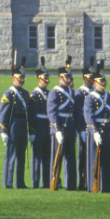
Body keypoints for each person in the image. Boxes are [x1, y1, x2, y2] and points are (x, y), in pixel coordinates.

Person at [0, 65, 32, 188]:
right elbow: (3, 114)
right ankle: (8, 182)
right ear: (13, 78)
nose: (22, 80)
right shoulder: (9, 94)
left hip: (23, 125)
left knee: (21, 155)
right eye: (19, 78)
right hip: (13, 125)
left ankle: (20, 182)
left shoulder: (25, 93)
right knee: (11, 155)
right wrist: (3, 131)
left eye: (23, 78)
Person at [84, 72, 110, 193]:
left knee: (107, 159)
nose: (103, 83)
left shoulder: (109, 96)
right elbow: (89, 116)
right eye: (100, 81)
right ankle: (93, 185)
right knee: (94, 159)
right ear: (94, 82)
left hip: (107, 130)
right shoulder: (90, 97)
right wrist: (95, 131)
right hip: (95, 131)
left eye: (104, 81)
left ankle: (106, 186)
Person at [47, 62, 77, 190]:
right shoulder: (54, 92)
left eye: (70, 77)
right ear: (60, 77)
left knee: (71, 156)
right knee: (57, 156)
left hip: (70, 125)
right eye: (66, 77)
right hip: (59, 126)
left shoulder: (72, 91)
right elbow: (52, 112)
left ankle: (70, 184)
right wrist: (57, 130)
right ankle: (55, 182)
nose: (69, 79)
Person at [30, 64, 52, 188]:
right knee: (37, 157)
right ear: (39, 79)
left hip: (48, 127)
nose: (47, 80)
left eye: (48, 78)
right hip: (38, 127)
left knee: (47, 156)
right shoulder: (34, 95)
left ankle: (46, 182)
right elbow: (32, 116)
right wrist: (32, 132)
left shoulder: (49, 93)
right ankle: (35, 182)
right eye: (45, 78)